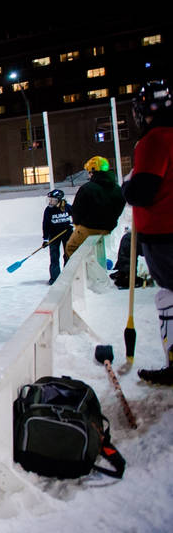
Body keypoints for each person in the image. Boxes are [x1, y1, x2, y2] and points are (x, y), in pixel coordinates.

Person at [123, 79, 173, 385]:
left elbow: (142, 192)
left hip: (164, 236)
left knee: (169, 296)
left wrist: (128, 185)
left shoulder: (155, 140)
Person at [65, 156, 125, 258]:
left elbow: (77, 210)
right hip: (108, 227)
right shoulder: (117, 188)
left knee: (71, 247)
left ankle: (85, 269)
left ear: (93, 171)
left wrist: (79, 225)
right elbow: (120, 206)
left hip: (88, 227)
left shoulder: (87, 188)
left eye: (89, 172)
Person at [42, 189, 73, 285]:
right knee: (54, 256)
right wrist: (45, 238)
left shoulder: (67, 207)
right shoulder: (48, 210)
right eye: (49, 199)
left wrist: (73, 224)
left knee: (68, 255)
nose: (50, 202)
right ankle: (54, 278)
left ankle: (68, 277)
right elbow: (45, 225)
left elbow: (77, 216)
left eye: (53, 200)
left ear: (59, 200)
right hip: (54, 236)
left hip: (67, 234)